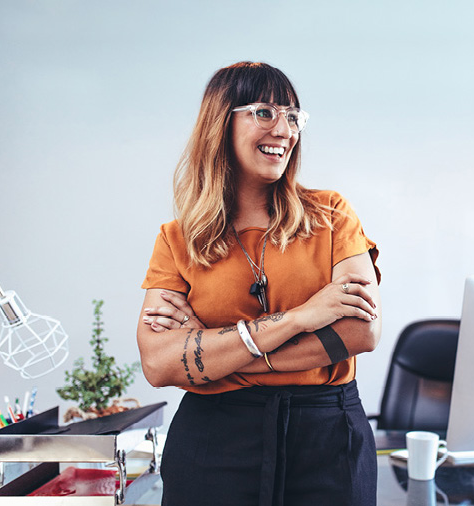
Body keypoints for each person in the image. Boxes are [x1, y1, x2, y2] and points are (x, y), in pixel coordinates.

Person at [137, 61, 381, 506]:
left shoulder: (331, 215)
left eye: (293, 116)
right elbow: (158, 364)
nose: (284, 129)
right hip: (213, 442)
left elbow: (360, 331)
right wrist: (300, 319)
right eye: (265, 112)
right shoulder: (177, 240)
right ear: (220, 122)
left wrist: (215, 353)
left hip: (327, 439)